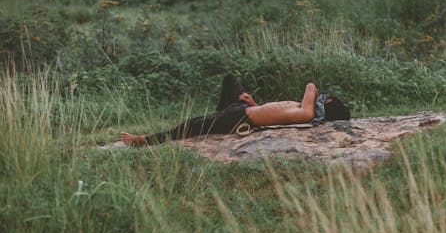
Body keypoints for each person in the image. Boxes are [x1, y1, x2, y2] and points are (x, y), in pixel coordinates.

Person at [121, 74, 350, 146]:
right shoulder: (305, 110)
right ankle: (217, 116)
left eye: (325, 99)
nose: (322, 96)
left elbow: (310, 86)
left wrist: (320, 100)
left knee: (190, 125)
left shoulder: (308, 113)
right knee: (231, 80)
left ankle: (144, 141)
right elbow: (271, 114)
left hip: (238, 118)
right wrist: (253, 103)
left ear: (326, 104)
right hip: (244, 109)